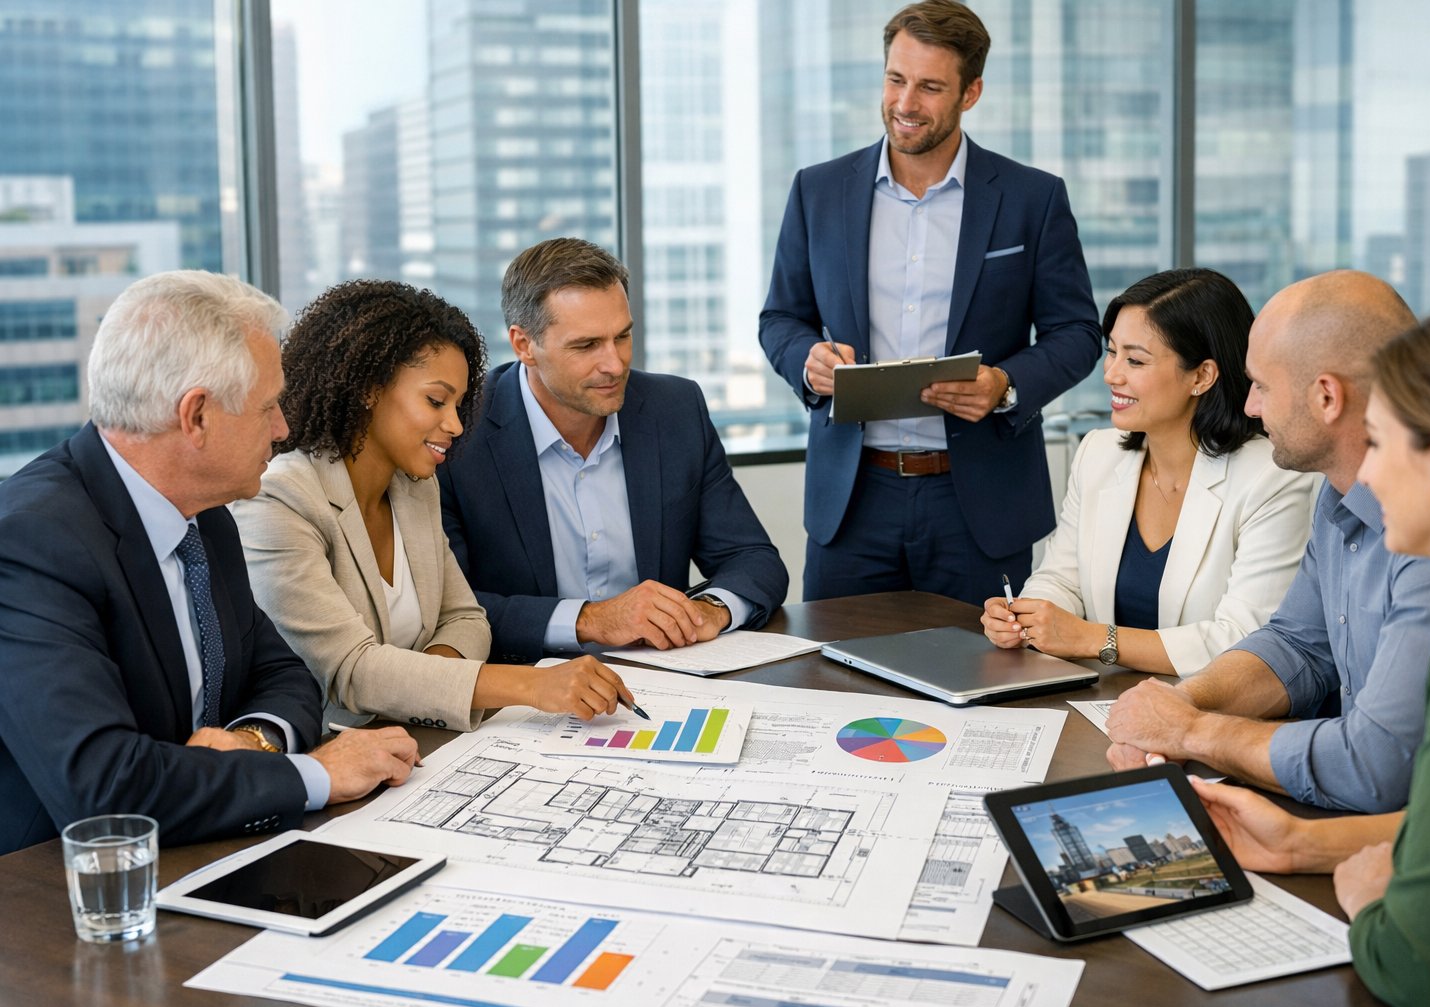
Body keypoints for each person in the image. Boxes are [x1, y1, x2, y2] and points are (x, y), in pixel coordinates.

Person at [1192, 308, 1430, 1007]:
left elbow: (1421, 972)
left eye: (1377, 443)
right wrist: (1306, 841)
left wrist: (1369, 897)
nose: (1365, 472)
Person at [0, 270, 418, 855]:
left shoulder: (205, 510)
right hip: (59, 886)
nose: (283, 429)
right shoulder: (30, 542)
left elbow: (284, 673)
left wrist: (256, 741)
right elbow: (105, 790)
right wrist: (318, 775)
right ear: (196, 416)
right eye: (268, 407)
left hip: (206, 846)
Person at [759, 0, 1100, 607]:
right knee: (836, 687)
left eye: (930, 87)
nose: (905, 103)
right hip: (852, 499)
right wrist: (806, 359)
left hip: (979, 504)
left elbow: (1076, 331)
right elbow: (780, 317)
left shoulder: (1032, 198)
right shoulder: (819, 190)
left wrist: (1006, 383)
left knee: (989, 688)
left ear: (970, 93)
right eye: (896, 79)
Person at [1105, 271, 1430, 813]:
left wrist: (1194, 732)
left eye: (1262, 386)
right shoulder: (1335, 495)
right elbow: (1297, 644)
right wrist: (1181, 700)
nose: (1248, 406)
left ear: (1326, 396)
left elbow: (1377, 766)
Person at [233, 281, 634, 732]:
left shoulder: (414, 486)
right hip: (329, 756)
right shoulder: (281, 499)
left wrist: (430, 681)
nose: (456, 425)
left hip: (412, 741)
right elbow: (349, 670)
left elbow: (466, 618)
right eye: (436, 400)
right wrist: (531, 685)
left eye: (460, 404)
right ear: (369, 388)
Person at [440, 238, 789, 664]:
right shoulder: (459, 432)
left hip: (665, 678)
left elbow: (753, 559)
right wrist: (590, 620)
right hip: (525, 686)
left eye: (622, 336)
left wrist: (708, 611)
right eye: (586, 345)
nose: (615, 364)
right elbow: (449, 609)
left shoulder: (674, 409)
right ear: (523, 345)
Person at [980, 268, 1314, 676]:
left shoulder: (1272, 476)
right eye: (1112, 351)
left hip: (1207, 714)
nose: (1111, 374)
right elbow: (1060, 581)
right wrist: (1025, 619)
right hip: (1102, 704)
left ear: (1202, 376)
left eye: (1135, 360)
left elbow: (1244, 640)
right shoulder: (1098, 454)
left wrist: (1092, 639)